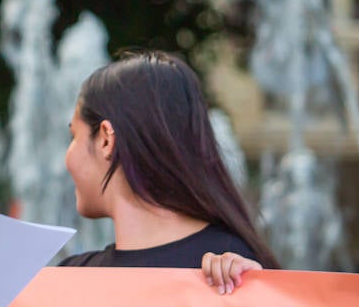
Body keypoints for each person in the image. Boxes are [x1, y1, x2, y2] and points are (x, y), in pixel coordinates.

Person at [59, 50, 280, 293]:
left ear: (105, 140)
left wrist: (259, 294)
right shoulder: (71, 276)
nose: (66, 158)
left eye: (73, 136)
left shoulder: (233, 273)